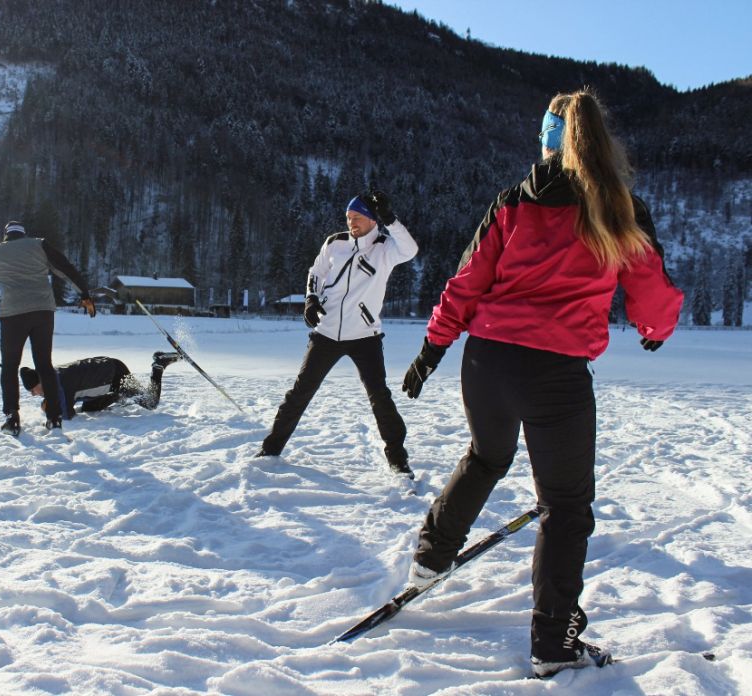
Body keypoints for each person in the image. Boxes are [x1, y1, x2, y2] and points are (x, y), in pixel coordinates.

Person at [400, 89, 683, 678]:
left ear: (548, 143)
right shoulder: (617, 207)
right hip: (554, 376)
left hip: (487, 365)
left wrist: (432, 349)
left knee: (485, 456)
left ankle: (429, 560)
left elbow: (465, 284)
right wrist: (654, 327)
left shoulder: (512, 204)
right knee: (566, 508)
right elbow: (651, 289)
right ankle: (552, 643)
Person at [258, 189, 419, 478]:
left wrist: (390, 218)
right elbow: (316, 272)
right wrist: (311, 299)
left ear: (372, 220)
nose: (351, 222)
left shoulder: (384, 248)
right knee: (300, 392)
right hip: (327, 332)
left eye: (357, 217)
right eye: (348, 217)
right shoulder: (334, 243)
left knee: (379, 397)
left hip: (365, 336)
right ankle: (270, 449)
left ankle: (398, 458)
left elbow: (411, 250)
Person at [0, 220, 96, 435]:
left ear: (6, 236)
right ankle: (54, 418)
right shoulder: (38, 244)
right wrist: (85, 295)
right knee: (44, 364)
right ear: (23, 235)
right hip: (42, 312)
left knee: (10, 366)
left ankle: (12, 417)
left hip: (12, 316)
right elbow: (66, 269)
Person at [20, 352, 181, 419]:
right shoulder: (53, 375)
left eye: (33, 390)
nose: (33, 394)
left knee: (150, 402)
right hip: (105, 370)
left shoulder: (59, 384)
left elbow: (66, 414)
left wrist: (47, 407)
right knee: (91, 408)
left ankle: (158, 365)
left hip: (113, 374)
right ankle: (120, 397)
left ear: (40, 382)